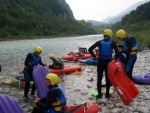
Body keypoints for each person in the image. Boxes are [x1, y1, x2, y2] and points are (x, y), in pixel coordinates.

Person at [88, 29, 119, 98]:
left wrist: (94, 56)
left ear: (104, 35)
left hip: (100, 62)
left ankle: (99, 94)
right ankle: (107, 94)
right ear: (110, 35)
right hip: (108, 63)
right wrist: (115, 59)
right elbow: (117, 53)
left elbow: (90, 49)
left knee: (99, 78)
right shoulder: (112, 43)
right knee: (107, 78)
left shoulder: (99, 42)